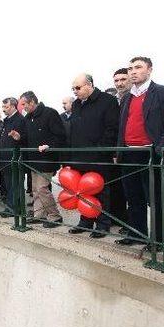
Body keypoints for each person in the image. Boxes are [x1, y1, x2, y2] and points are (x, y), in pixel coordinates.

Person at [116, 57, 164, 246]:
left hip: (150, 152)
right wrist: (118, 151)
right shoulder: (127, 98)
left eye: (138, 67)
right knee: (133, 197)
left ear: (150, 70)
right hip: (129, 153)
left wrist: (160, 149)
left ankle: (159, 240)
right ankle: (136, 233)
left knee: (155, 199)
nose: (133, 72)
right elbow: (122, 127)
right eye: (130, 68)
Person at [68, 74, 120, 238]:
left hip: (99, 157)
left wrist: (101, 150)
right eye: (73, 88)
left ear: (89, 85)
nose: (75, 91)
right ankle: (85, 221)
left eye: (78, 87)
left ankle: (103, 224)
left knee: (101, 191)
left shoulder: (107, 101)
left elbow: (112, 129)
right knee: (81, 191)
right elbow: (74, 131)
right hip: (79, 157)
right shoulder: (76, 104)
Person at [14, 91, 66, 226]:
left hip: (47, 159)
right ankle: (39, 214)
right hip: (33, 159)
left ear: (32, 102)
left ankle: (55, 216)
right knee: (35, 189)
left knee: (42, 188)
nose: (23, 107)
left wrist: (49, 145)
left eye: (24, 104)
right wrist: (19, 137)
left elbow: (60, 135)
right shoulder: (27, 118)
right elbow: (26, 138)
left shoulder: (50, 113)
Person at [0, 97, 27, 217]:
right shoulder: (7, 120)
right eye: (3, 107)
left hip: (15, 158)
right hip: (6, 158)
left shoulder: (20, 119)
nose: (3, 109)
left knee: (15, 184)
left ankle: (13, 209)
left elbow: (24, 138)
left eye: (6, 107)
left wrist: (19, 137)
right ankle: (13, 207)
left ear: (14, 106)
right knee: (9, 184)